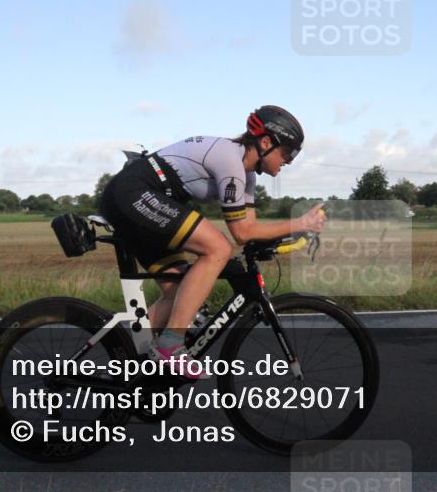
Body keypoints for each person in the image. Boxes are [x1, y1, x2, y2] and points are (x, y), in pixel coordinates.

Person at [98, 105, 326, 378]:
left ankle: (131, 364)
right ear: (265, 142)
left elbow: (251, 228)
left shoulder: (247, 175)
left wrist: (291, 234)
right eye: (288, 152)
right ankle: (170, 346)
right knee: (217, 248)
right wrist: (299, 223)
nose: (289, 160)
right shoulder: (231, 162)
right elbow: (241, 233)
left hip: (146, 198)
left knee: (179, 291)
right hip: (133, 192)